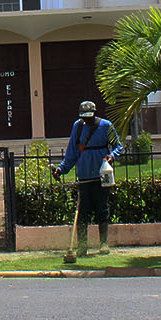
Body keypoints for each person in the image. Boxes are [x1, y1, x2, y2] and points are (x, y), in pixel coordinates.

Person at [52, 100, 122, 263]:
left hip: (101, 174)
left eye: (89, 117)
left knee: (102, 208)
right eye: (85, 118)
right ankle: (82, 245)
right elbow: (72, 153)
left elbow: (118, 146)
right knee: (83, 212)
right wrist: (61, 170)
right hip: (84, 175)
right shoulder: (78, 126)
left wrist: (112, 156)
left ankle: (103, 243)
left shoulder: (106, 126)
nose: (87, 121)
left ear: (95, 114)